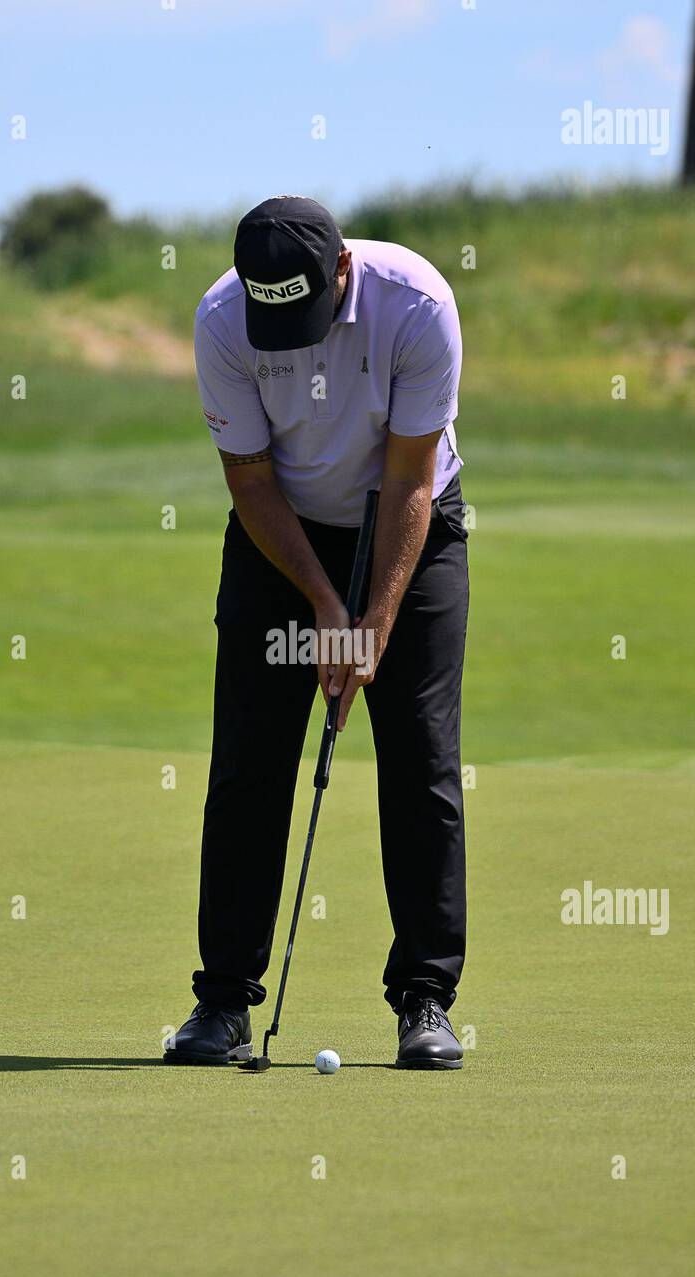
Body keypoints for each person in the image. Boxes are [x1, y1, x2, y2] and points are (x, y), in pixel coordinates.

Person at [165, 195, 469, 1069]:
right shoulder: (223, 320)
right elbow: (250, 481)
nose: (290, 336)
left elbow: (412, 477)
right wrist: (323, 610)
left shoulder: (416, 303)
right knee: (251, 758)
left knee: (419, 757)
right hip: (279, 536)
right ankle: (222, 1002)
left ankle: (426, 999)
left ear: (342, 270)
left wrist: (370, 625)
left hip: (408, 525)